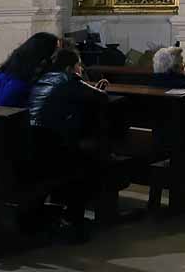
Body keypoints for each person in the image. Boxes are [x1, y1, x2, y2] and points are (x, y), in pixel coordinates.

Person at [27, 47, 110, 241]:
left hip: (31, 145)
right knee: (88, 162)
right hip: (53, 149)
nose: (80, 70)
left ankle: (48, 213)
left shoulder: (42, 79)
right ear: (71, 68)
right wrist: (95, 90)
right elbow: (101, 98)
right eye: (78, 66)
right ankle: (73, 220)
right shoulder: (69, 79)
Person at [0, 33, 61, 107]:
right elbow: (6, 103)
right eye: (55, 51)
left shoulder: (17, 64)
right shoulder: (19, 79)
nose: (57, 55)